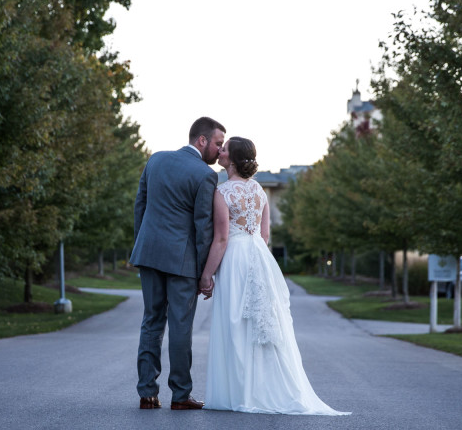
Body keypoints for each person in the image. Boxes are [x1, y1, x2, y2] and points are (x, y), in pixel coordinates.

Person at [199, 137, 350, 416]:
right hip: (259, 257)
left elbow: (221, 239)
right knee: (261, 324)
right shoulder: (259, 191)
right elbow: (264, 235)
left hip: (235, 258)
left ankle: (238, 392)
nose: (220, 151)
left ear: (233, 159)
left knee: (236, 323)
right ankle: (263, 390)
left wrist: (207, 275)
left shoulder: (222, 193)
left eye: (225, 148)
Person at [130, 117, 226, 410]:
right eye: (218, 144)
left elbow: (140, 206)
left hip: (149, 253)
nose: (220, 152)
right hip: (182, 261)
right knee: (180, 326)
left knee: (151, 321)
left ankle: (147, 392)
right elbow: (203, 228)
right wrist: (203, 273)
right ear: (202, 140)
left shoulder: (155, 160)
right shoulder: (205, 175)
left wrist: (142, 245)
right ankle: (181, 395)